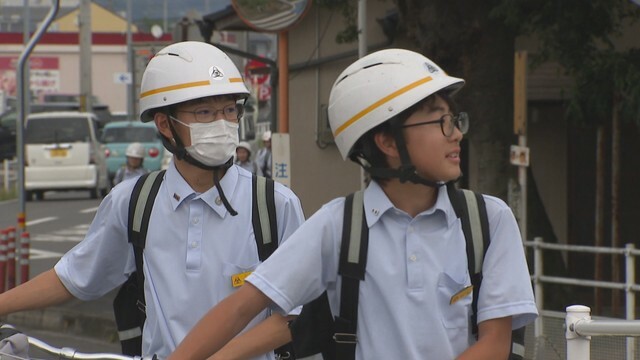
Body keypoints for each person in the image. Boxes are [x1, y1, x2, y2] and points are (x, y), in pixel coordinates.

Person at [169, 48, 538, 360]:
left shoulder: (488, 220)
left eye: (455, 120)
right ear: (388, 142)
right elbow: (240, 307)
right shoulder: (338, 225)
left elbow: (494, 342)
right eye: (439, 122)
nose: (456, 134)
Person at [0, 41, 305, 359]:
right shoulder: (133, 202)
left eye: (229, 110)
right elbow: (73, 278)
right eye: (204, 112)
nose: (221, 123)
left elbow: (294, 315)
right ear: (164, 124)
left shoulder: (274, 205)